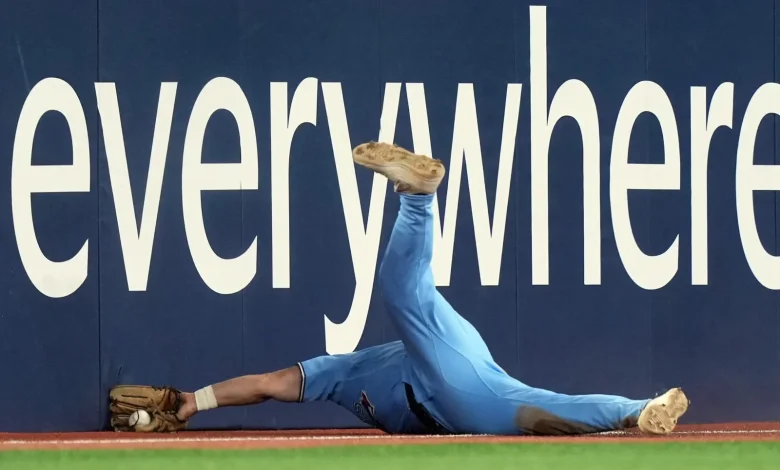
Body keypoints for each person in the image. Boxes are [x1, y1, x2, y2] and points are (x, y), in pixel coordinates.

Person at [173, 142, 689, 436]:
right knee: (537, 411)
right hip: (453, 395)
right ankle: (645, 408)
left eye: (302, 376)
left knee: (404, 296)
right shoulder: (336, 376)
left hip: (445, 376)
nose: (299, 378)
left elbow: (272, 381)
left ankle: (417, 197)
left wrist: (197, 401)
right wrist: (194, 401)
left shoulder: (350, 369)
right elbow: (266, 384)